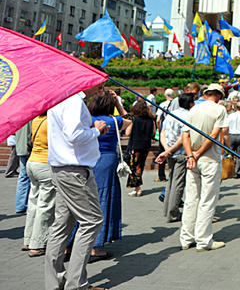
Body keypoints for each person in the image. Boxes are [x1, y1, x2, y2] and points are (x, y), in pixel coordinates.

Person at [45, 80, 109, 290]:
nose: (100, 91)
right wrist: (96, 131)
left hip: (63, 168)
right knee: (92, 221)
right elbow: (74, 135)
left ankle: (55, 282)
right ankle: (77, 284)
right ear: (87, 83)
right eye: (99, 86)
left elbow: (70, 133)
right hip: (74, 171)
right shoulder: (73, 101)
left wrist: (91, 131)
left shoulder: (61, 99)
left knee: (62, 225)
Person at [84, 90, 132, 262]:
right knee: (103, 199)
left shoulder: (86, 120)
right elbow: (130, 120)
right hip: (107, 161)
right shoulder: (114, 120)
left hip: (87, 161)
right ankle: (95, 247)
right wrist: (118, 103)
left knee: (82, 201)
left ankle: (69, 245)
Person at [181, 83, 229, 251]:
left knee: (191, 199)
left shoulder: (194, 109)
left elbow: (185, 134)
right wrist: (199, 153)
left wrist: (190, 155)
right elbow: (214, 135)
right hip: (208, 159)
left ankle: (186, 238)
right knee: (207, 200)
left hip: (192, 158)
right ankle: (203, 240)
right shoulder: (219, 110)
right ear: (220, 96)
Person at [156, 92, 196, 223]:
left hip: (169, 151)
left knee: (171, 181)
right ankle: (173, 213)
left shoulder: (170, 115)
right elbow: (182, 138)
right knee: (178, 184)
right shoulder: (187, 116)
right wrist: (170, 151)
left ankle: (166, 210)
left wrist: (166, 150)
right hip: (180, 153)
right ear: (190, 103)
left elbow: (163, 133)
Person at [23, 113, 54, 257]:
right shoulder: (51, 121)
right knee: (45, 205)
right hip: (44, 163)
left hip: (32, 162)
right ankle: (38, 244)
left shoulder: (36, 119)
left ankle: (28, 240)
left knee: (33, 203)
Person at [125, 100, 156, 197]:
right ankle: (136, 187)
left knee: (134, 167)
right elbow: (154, 132)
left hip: (135, 145)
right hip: (145, 145)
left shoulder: (134, 119)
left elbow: (127, 133)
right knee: (140, 166)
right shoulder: (150, 119)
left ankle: (137, 188)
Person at [226, 101, 240, 181]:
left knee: (230, 154)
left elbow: (226, 126)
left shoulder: (231, 115)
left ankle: (229, 171)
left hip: (231, 134)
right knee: (239, 154)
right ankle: (238, 171)